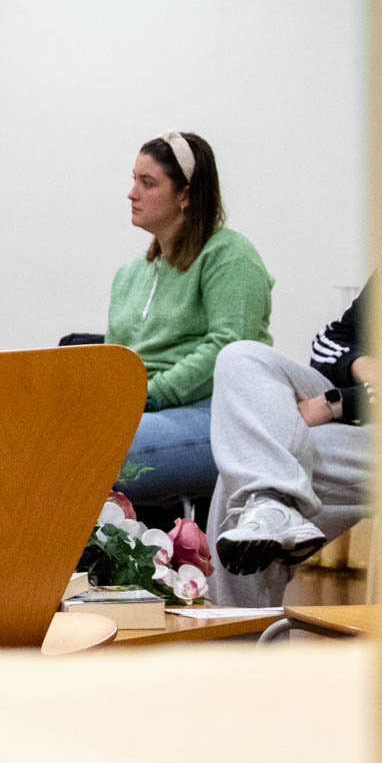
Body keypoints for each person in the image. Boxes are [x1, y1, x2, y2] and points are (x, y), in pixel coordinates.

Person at [106, 131, 273, 506]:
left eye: (148, 183)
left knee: (96, 452)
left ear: (185, 195)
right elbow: (113, 360)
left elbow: (228, 347)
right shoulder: (128, 275)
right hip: (142, 411)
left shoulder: (230, 255)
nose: (132, 194)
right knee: (41, 437)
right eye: (134, 180)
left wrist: (148, 396)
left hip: (217, 412)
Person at [207, 279, 374, 606]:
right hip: (363, 407)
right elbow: (330, 341)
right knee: (240, 355)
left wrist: (339, 402)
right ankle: (273, 506)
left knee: (252, 466)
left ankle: (238, 630)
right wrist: (364, 366)